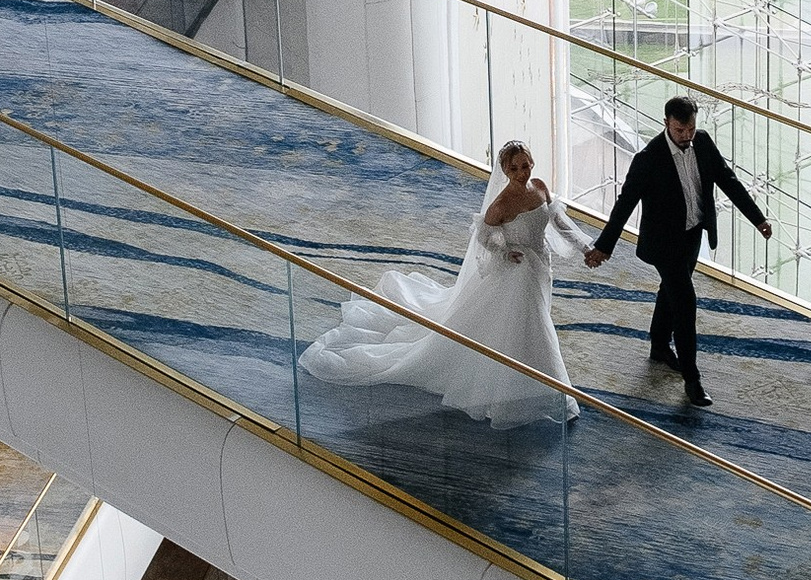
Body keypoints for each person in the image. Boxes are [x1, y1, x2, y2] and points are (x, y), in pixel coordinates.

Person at [299, 141, 583, 425]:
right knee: (532, 325)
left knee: (527, 321)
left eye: (525, 165)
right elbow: (483, 238)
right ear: (505, 171)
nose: (522, 172)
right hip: (518, 272)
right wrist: (505, 251)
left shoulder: (540, 187)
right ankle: (557, 398)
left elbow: (559, 221)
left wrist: (586, 247)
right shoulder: (500, 205)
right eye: (514, 168)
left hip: (540, 266)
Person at [583, 95, 769, 406]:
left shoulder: (704, 143)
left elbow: (728, 181)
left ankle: (658, 345)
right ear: (667, 123)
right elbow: (624, 204)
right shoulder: (648, 159)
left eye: (691, 129)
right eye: (681, 130)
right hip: (664, 243)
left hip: (692, 234)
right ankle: (692, 379)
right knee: (685, 303)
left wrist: (758, 218)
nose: (686, 136)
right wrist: (605, 246)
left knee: (670, 291)